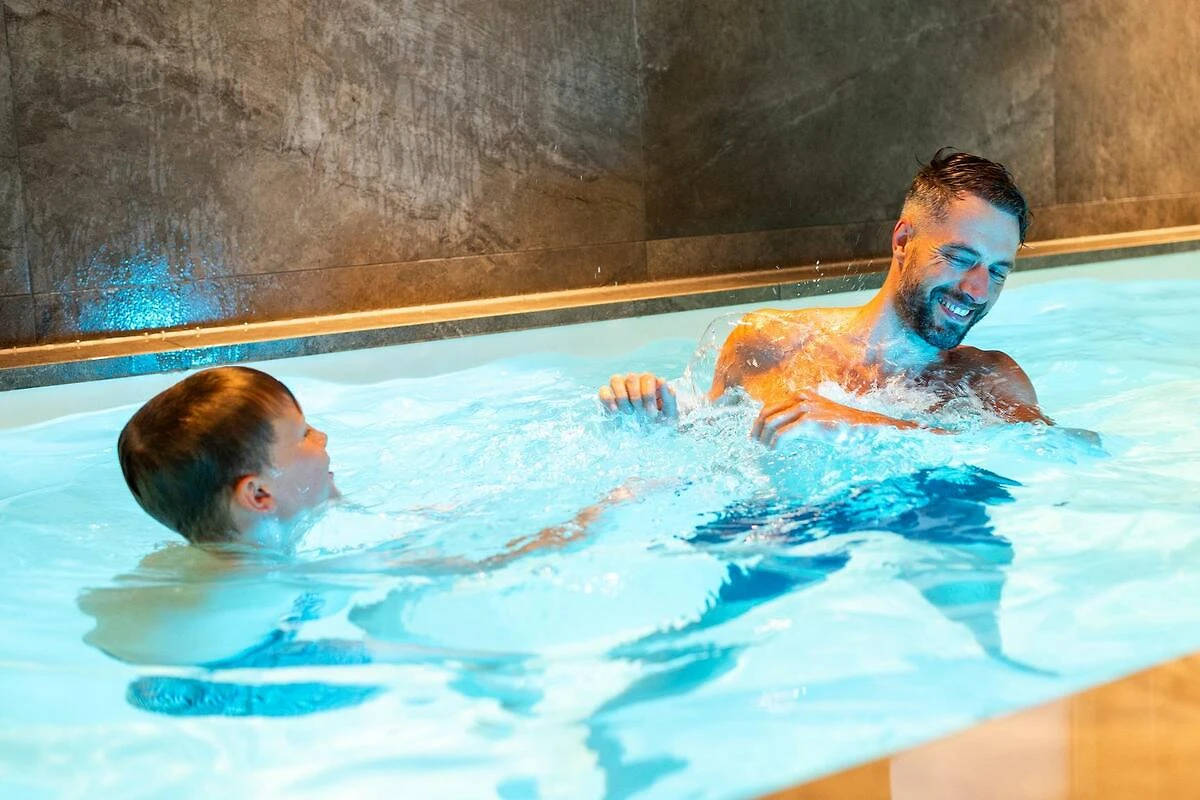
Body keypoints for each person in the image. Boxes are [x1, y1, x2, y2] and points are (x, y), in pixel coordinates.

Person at [87, 365, 631, 715]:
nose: (323, 438)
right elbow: (491, 560)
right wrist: (608, 508)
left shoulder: (189, 565)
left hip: (176, 674)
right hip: (249, 676)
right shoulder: (295, 579)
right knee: (473, 659)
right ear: (259, 494)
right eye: (304, 435)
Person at [600, 148, 1067, 445]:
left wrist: (865, 423)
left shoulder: (985, 380)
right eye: (960, 258)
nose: (978, 290)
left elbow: (1064, 452)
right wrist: (653, 424)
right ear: (903, 241)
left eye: (998, 271)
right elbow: (712, 450)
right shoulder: (768, 344)